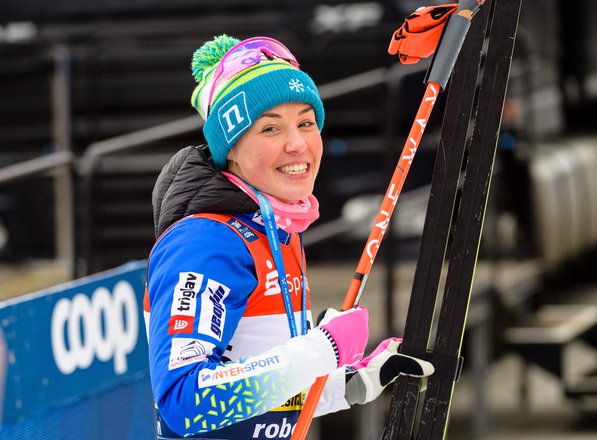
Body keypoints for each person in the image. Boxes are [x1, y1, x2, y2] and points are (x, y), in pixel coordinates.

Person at [143, 34, 434, 439]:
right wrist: (321, 350)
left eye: (305, 123)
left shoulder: (276, 230)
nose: (297, 144)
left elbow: (262, 391)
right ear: (231, 148)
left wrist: (353, 381)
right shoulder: (206, 242)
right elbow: (185, 402)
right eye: (270, 129)